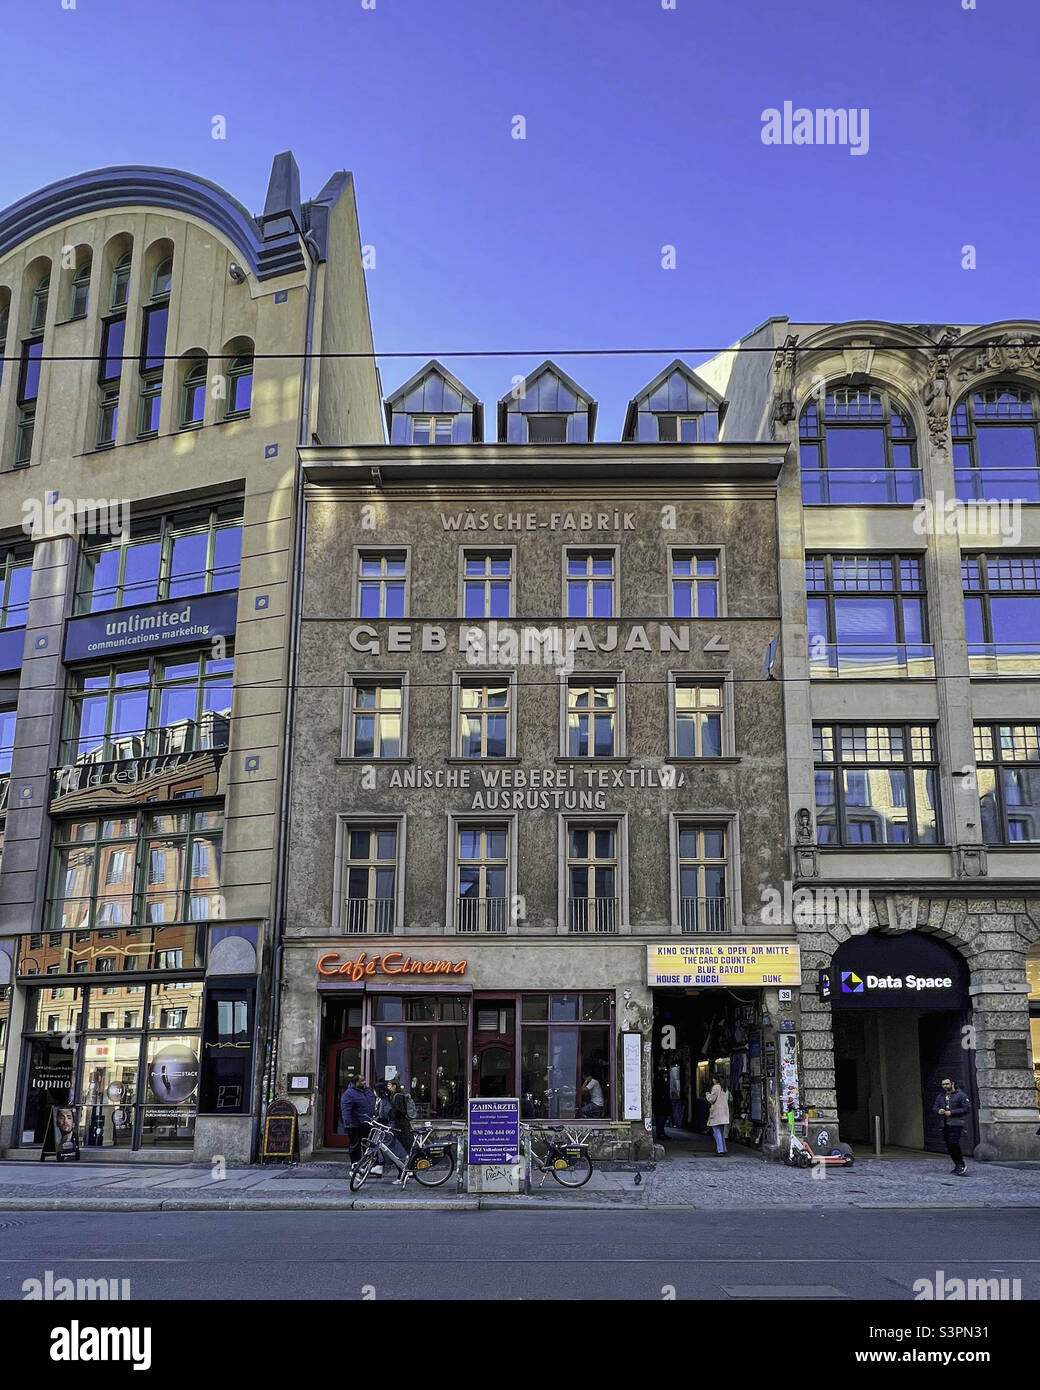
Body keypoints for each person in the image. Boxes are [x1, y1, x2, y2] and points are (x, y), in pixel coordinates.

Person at [340, 1074, 379, 1173]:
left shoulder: (368, 1091)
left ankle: (369, 1166)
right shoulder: (348, 1094)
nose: (364, 1082)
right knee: (355, 1146)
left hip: (368, 1123)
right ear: (355, 1082)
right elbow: (346, 1110)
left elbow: (373, 1104)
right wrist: (348, 1123)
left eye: (364, 1080)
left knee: (369, 1146)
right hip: (355, 1124)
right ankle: (355, 1166)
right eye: (361, 1081)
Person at [933, 1077, 971, 1175]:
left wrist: (952, 1112)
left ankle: (961, 1164)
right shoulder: (941, 1096)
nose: (945, 1086)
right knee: (949, 1145)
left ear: (952, 1083)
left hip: (956, 1123)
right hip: (945, 1124)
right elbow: (935, 1107)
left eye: (947, 1084)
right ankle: (957, 1165)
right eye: (943, 1084)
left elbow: (966, 1108)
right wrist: (939, 1111)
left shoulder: (961, 1095)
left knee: (953, 1142)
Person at [387, 1079, 415, 1185]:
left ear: (395, 1086)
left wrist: (390, 1114)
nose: (388, 1087)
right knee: (402, 1151)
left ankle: (403, 1175)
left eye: (389, 1085)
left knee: (401, 1151)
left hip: (401, 1126)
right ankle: (405, 1173)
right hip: (401, 1126)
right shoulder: (395, 1096)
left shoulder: (397, 1096)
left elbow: (400, 1111)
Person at [706, 1074, 730, 1155]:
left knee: (716, 1131)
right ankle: (723, 1148)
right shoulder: (725, 1088)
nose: (712, 1080)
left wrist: (707, 1095)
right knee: (720, 1131)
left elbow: (712, 1099)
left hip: (716, 1112)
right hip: (724, 1112)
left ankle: (720, 1150)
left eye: (713, 1078)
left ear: (716, 1080)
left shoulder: (716, 1087)